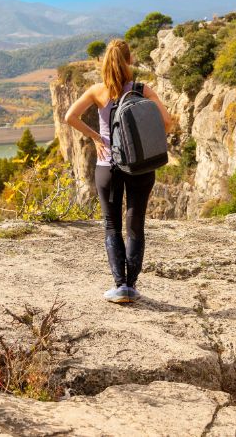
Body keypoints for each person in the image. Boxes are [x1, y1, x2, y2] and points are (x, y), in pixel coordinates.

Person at [63, 40, 172, 304]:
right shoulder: (142, 90)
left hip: (107, 166)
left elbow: (70, 117)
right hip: (139, 166)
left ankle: (119, 286)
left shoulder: (98, 91)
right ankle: (132, 287)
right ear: (130, 60)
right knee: (135, 224)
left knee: (112, 225)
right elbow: (167, 123)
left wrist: (96, 138)